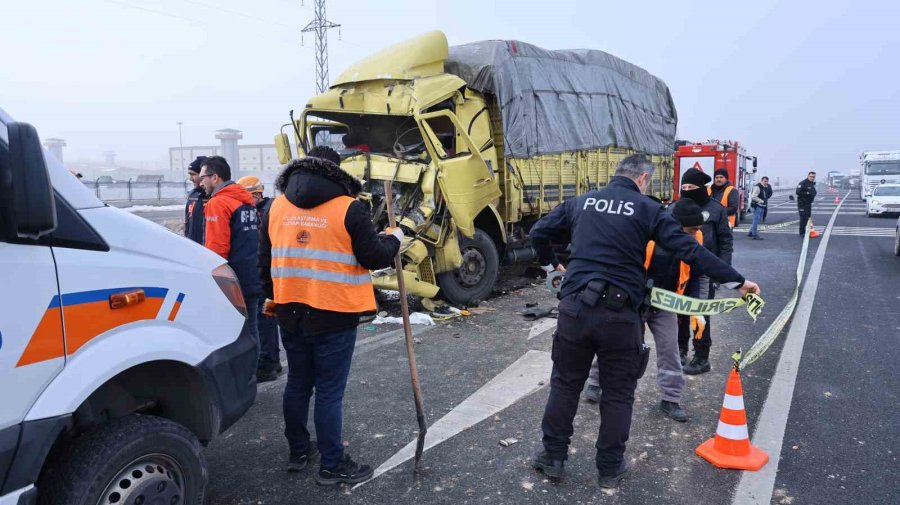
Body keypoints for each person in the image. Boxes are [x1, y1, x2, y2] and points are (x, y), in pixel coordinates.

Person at [528, 155, 760, 489]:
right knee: (618, 394)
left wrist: (553, 267)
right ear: (643, 180)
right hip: (620, 315)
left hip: (575, 309)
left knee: (565, 384)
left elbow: (538, 232)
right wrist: (738, 282)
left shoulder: (580, 202)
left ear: (618, 175)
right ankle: (609, 468)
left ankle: (552, 457)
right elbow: (691, 251)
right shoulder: (648, 209)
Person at [258, 149, 402, 485]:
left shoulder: (275, 207)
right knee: (328, 391)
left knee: (297, 382)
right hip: (334, 314)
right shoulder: (349, 208)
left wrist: (274, 296)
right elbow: (374, 257)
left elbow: (264, 261)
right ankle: (332, 463)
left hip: (289, 310)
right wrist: (394, 239)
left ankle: (299, 451)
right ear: (336, 173)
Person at [584, 198, 710, 423]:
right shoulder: (647, 232)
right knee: (615, 343)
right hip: (634, 300)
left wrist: (697, 305)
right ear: (677, 226)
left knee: (670, 350)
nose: (696, 233)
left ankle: (671, 399)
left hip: (666, 303)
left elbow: (698, 274)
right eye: (692, 229)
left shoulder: (695, 237)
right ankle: (595, 382)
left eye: (697, 229)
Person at [199, 156, 262, 361]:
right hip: (252, 274)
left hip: (231, 281)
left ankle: (241, 376)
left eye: (203, 177)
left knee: (232, 335)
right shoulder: (246, 201)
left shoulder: (218, 203)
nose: (201, 182)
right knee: (252, 330)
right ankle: (252, 373)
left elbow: (216, 250)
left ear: (215, 177)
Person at [677, 167, 734, 375]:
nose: (687, 191)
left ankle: (701, 356)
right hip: (679, 271)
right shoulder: (674, 208)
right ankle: (680, 351)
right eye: (684, 187)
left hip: (704, 272)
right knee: (679, 314)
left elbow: (725, 242)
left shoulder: (716, 210)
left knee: (699, 314)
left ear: (701, 188)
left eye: (691, 187)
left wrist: (722, 273)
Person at [237, 175, 283, 382]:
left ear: (256, 194)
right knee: (267, 319)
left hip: (269, 274)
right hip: (266, 273)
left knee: (266, 319)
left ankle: (268, 363)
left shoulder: (268, 211)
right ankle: (273, 360)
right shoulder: (263, 210)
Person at [185, 156, 209, 244]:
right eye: (189, 175)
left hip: (208, 248)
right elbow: (187, 223)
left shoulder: (215, 196)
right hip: (193, 246)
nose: (190, 179)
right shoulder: (192, 195)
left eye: (193, 174)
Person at [796, 171, 817, 236]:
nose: (812, 178)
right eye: (811, 176)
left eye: (813, 177)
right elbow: (798, 192)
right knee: (803, 218)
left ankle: (807, 231)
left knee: (808, 217)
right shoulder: (803, 183)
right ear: (808, 176)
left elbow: (813, 192)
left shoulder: (811, 183)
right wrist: (807, 193)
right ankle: (802, 232)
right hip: (802, 204)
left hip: (808, 204)